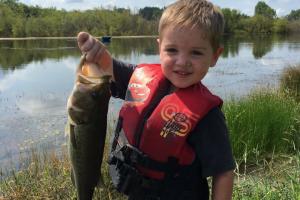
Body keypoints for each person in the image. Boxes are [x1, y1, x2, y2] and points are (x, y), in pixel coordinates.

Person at [75, 0, 235, 199]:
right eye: (172, 50)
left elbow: (223, 172)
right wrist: (96, 52)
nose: (182, 62)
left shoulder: (208, 116)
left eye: (196, 52)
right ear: (159, 48)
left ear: (215, 56)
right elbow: (109, 66)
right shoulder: (141, 78)